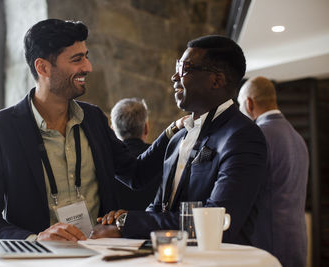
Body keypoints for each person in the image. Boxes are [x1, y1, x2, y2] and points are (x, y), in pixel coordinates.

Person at [0, 19, 183, 245]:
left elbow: (135, 175)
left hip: (100, 257)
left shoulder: (94, 119)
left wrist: (173, 131)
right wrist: (35, 240)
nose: (88, 67)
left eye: (86, 56)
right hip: (39, 262)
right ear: (43, 67)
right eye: (77, 59)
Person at [91, 35, 272, 253]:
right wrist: (122, 221)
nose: (175, 76)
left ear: (216, 80)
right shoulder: (177, 138)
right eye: (178, 66)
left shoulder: (242, 136)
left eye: (185, 68)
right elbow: (159, 208)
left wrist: (127, 224)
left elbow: (217, 222)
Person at [237, 76, 309, 267]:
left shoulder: (257, 136)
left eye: (240, 105)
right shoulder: (298, 138)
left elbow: (244, 194)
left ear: (249, 103)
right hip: (297, 243)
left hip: (267, 246)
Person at [110, 98, 160, 210]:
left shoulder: (105, 161)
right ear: (146, 128)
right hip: (157, 225)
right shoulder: (164, 156)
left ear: (112, 130)